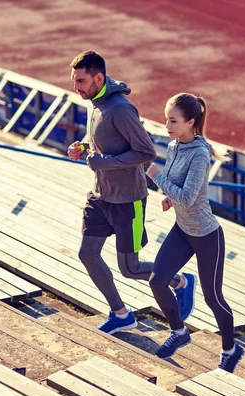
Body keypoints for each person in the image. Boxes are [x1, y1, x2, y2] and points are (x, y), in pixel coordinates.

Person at [66, 51, 197, 335]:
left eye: (81, 81)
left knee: (130, 267)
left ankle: (181, 281)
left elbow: (145, 152)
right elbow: (107, 141)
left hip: (128, 201)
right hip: (100, 196)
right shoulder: (96, 102)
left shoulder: (120, 109)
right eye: (74, 80)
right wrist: (85, 147)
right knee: (88, 254)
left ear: (99, 78)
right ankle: (121, 314)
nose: (76, 87)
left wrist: (102, 162)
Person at [146, 93, 244, 373]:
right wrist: (169, 197)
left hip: (206, 235)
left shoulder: (200, 154)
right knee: (157, 280)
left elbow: (188, 197)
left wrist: (155, 177)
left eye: (173, 121)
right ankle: (179, 332)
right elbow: (178, 187)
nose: (167, 125)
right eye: (167, 119)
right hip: (183, 229)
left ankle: (231, 349)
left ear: (190, 122)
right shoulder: (176, 145)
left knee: (214, 298)